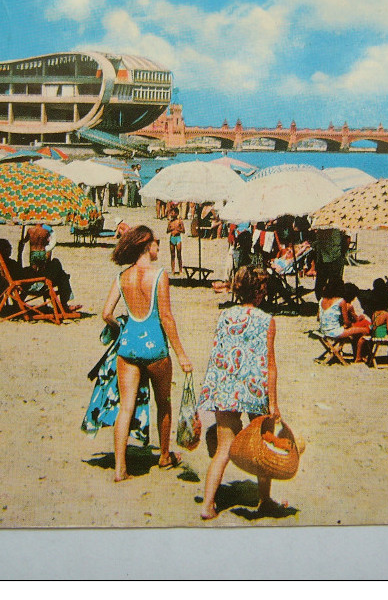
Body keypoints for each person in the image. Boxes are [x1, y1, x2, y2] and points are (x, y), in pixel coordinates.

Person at [101, 226, 193, 482]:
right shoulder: (159, 275)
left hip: (128, 347)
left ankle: (120, 469)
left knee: (126, 407)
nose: (158, 248)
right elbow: (165, 317)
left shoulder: (122, 277)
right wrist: (182, 354)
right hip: (155, 349)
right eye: (156, 243)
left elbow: (106, 313)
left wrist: (120, 328)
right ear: (145, 246)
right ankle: (164, 456)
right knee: (163, 402)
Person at [197, 266, 284, 520]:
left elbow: (219, 353)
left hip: (226, 384)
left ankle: (208, 504)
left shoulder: (224, 316)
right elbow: (270, 363)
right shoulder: (267, 321)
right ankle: (265, 500)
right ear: (260, 293)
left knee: (224, 449)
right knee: (262, 445)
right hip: (254, 388)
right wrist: (273, 403)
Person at [317, 278, 371, 365]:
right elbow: (347, 322)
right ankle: (358, 357)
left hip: (323, 330)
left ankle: (357, 354)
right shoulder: (341, 301)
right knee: (365, 330)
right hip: (335, 332)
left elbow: (318, 318)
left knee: (356, 330)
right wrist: (350, 324)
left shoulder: (321, 300)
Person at [312, 228, 346, 300]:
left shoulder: (338, 226)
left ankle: (329, 304)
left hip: (333, 258)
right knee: (322, 285)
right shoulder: (322, 226)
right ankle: (324, 304)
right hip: (325, 259)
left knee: (332, 284)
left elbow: (346, 240)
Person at [166, 208, 185, 275]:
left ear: (176, 214)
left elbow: (183, 231)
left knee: (179, 254)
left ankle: (180, 270)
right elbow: (167, 231)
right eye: (171, 213)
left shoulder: (179, 221)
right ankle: (173, 270)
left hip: (178, 237)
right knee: (172, 254)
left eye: (173, 213)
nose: (171, 214)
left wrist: (178, 229)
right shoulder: (170, 222)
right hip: (172, 238)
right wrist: (170, 229)